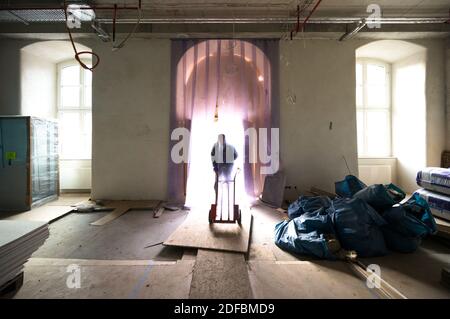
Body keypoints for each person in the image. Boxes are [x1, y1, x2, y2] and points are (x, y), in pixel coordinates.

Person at [211, 134, 238, 200]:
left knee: (223, 183)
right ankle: (223, 198)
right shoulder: (228, 147)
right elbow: (236, 155)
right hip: (224, 167)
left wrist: (215, 166)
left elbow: (213, 156)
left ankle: (223, 198)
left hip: (222, 167)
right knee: (224, 183)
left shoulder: (217, 146)